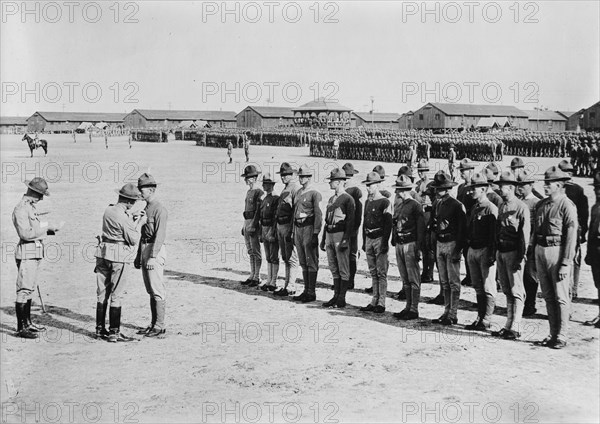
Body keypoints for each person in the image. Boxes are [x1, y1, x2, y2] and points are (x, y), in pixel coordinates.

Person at [530, 167, 578, 349]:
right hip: (541, 251)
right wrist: (533, 258)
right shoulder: (541, 205)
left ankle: (562, 335)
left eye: (549, 184)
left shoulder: (567, 205)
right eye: (545, 183)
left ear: (559, 185)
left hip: (557, 252)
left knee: (561, 297)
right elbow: (535, 233)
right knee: (548, 296)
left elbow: (571, 235)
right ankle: (552, 333)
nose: (545, 187)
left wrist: (566, 262)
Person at [95, 183, 146, 342]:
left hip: (103, 253)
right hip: (118, 255)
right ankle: (114, 332)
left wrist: (131, 218)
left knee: (102, 293)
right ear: (130, 202)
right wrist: (139, 223)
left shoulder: (109, 210)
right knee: (117, 295)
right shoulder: (124, 217)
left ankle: (99, 329)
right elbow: (133, 240)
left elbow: (118, 224)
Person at [12, 178, 60, 339]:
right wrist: (46, 230)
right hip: (27, 253)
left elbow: (35, 227)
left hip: (34, 252)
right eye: (40, 195)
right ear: (33, 193)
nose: (41, 198)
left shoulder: (30, 208)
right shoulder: (21, 209)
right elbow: (25, 234)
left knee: (30, 289)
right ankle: (21, 328)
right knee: (24, 290)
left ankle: (28, 323)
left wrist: (49, 227)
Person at [492, 171, 530, 340]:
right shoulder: (502, 205)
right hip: (501, 251)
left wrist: (521, 257)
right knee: (507, 289)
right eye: (500, 187)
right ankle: (508, 324)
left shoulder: (521, 207)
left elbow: (524, 235)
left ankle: (516, 326)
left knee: (517, 291)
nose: (500, 190)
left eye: (503, 187)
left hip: (514, 252)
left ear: (512, 188)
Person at [430, 171, 466, 326]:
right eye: (437, 189)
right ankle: (446, 311)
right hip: (440, 243)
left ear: (447, 188)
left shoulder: (457, 205)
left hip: (452, 244)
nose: (437, 191)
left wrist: (458, 250)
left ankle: (453, 313)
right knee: (444, 281)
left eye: (440, 189)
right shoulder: (437, 204)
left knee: (453, 282)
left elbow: (462, 230)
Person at [134, 173, 168, 338]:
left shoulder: (159, 209)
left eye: (143, 189)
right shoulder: (146, 208)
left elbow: (160, 235)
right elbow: (142, 233)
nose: (140, 192)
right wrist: (138, 256)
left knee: (157, 289)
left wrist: (153, 256)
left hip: (155, 248)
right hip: (145, 247)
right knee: (150, 289)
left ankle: (160, 325)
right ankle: (153, 323)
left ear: (151, 190)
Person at [464, 172, 498, 331]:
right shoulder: (474, 208)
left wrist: (492, 254)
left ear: (484, 189)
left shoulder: (491, 209)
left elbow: (494, 235)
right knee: (477, 286)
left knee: (488, 287)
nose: (471, 191)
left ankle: (487, 319)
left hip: (485, 251)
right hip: (473, 250)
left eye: (474, 189)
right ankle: (480, 316)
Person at [391, 175, 425, 320]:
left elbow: (420, 228)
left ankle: (414, 308)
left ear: (404, 190)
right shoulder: (400, 205)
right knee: (405, 277)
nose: (397, 192)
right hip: (400, 243)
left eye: (399, 189)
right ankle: (407, 306)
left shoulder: (415, 205)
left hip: (410, 244)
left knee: (413, 278)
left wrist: (418, 247)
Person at [321, 169, 355, 308]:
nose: (330, 182)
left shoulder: (348, 199)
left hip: (340, 234)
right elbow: (326, 220)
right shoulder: (331, 199)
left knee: (343, 267)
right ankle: (335, 295)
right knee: (333, 266)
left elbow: (351, 222)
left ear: (340, 182)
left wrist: (346, 239)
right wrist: (323, 239)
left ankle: (342, 297)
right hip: (330, 234)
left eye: (332, 180)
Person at [359, 172, 392, 314]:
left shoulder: (385, 202)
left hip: (379, 238)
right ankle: (374, 299)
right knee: (373, 272)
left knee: (381, 272)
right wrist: (364, 240)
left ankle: (382, 302)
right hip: (369, 238)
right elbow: (364, 221)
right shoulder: (368, 201)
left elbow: (388, 224)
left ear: (378, 185)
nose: (368, 188)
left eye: (371, 185)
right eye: (367, 185)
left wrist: (385, 242)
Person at [558, 160, 589, 300]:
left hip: (562, 231)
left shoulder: (558, 189)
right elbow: (584, 213)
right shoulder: (578, 189)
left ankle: (568, 289)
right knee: (574, 259)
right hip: (575, 230)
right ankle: (574, 289)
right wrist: (583, 232)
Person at [292, 165, 322, 303]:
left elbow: (318, 214)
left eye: (303, 176)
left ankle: (311, 292)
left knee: (311, 260)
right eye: (300, 176)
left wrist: (316, 233)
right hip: (298, 228)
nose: (301, 179)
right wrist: (293, 232)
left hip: (308, 227)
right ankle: (305, 290)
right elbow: (295, 212)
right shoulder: (298, 192)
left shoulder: (315, 193)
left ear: (309, 177)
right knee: (303, 261)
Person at [274, 163, 301, 297]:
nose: (284, 177)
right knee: (285, 257)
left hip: (288, 226)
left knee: (292, 257)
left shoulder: (295, 189)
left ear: (292, 175)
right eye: (282, 175)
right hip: (280, 225)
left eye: (286, 175)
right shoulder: (285, 189)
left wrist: (292, 230)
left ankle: (291, 285)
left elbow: (295, 211)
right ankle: (286, 284)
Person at [517, 170, 541, 316]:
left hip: (530, 245)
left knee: (530, 276)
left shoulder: (536, 202)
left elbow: (536, 227)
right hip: (519, 243)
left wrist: (530, 244)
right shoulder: (519, 201)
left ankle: (530, 304)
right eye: (518, 185)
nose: (520, 188)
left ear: (531, 185)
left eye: (523, 185)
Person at [240, 165, 263, 287]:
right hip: (247, 221)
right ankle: (252, 274)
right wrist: (244, 226)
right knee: (250, 251)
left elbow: (258, 211)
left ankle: (257, 276)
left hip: (253, 223)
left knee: (256, 250)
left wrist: (254, 224)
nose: (246, 180)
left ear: (254, 178)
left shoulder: (258, 192)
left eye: (248, 178)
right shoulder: (249, 191)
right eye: (246, 178)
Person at [342, 162, 363, 290]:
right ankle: (346, 279)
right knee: (346, 254)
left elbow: (358, 211)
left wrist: (354, 228)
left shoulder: (355, 191)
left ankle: (350, 280)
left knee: (351, 254)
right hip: (345, 227)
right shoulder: (345, 189)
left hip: (352, 227)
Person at [258, 173, 280, 292]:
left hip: (272, 228)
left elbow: (275, 217)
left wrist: (272, 231)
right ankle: (269, 280)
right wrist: (262, 232)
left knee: (274, 256)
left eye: (265, 184)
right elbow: (261, 216)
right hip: (264, 227)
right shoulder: (265, 198)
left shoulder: (276, 198)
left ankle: (274, 281)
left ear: (271, 185)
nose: (263, 185)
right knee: (268, 257)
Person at [584, 171, 600, 328]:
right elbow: (591, 231)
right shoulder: (595, 207)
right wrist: (589, 252)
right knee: (598, 283)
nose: (597, 191)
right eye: (596, 188)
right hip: (596, 252)